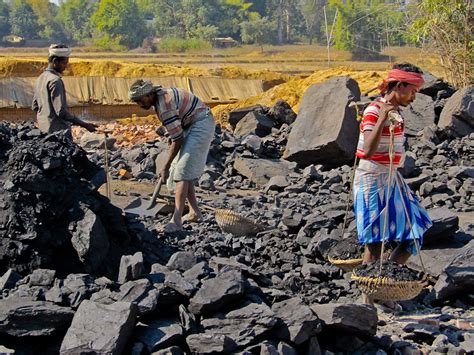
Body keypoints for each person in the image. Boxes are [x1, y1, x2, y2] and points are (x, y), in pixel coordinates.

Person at [353, 63, 433, 306]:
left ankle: (383, 286)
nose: (413, 96)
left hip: (391, 178)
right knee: (375, 242)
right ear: (399, 85)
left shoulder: (397, 112)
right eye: (412, 90)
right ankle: (368, 297)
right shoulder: (373, 110)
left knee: (415, 232)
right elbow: (366, 149)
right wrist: (383, 117)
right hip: (371, 180)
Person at [128, 80, 216, 233]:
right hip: (191, 122)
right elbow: (176, 129)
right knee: (182, 170)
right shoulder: (161, 97)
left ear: (149, 95)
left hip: (201, 123)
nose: (139, 105)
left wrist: (165, 167)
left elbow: (178, 139)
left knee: (181, 170)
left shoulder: (164, 106)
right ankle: (195, 212)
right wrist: (172, 133)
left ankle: (176, 221)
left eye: (140, 101)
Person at [32, 44, 97, 138]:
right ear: (55, 61)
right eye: (64, 63)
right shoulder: (55, 80)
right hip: (58, 134)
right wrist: (85, 125)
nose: (66, 66)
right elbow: (61, 112)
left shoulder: (40, 79)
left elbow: (35, 106)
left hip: (44, 132)